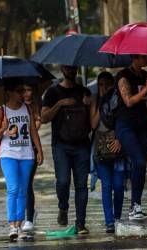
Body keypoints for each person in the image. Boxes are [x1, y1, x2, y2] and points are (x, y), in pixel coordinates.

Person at [41, 65, 92, 234]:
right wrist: (60, 104)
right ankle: (63, 207)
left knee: (81, 186)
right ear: (62, 69)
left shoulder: (84, 92)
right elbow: (44, 118)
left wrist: (90, 105)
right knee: (62, 181)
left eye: (73, 67)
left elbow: (92, 122)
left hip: (82, 145)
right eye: (67, 67)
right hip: (61, 146)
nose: (71, 70)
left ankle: (80, 223)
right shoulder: (52, 92)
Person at [0, 81, 43, 240]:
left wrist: (39, 151)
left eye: (24, 91)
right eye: (19, 91)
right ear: (9, 92)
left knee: (22, 190)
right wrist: (3, 129)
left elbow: (33, 131)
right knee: (13, 188)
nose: (23, 94)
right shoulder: (1, 111)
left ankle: (19, 224)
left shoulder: (28, 108)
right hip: (8, 155)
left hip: (27, 155)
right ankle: (12, 225)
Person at [115, 55, 147, 220]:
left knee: (142, 164)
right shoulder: (123, 76)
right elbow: (128, 101)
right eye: (144, 56)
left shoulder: (145, 76)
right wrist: (146, 89)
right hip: (126, 125)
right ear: (136, 57)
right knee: (137, 161)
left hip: (143, 125)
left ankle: (136, 205)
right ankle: (134, 207)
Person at [90, 71, 126, 233]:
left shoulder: (119, 100)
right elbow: (93, 124)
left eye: (107, 84)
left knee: (118, 186)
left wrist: (120, 140)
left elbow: (124, 122)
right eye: (101, 85)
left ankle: (117, 217)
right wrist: (100, 102)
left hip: (118, 149)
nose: (104, 88)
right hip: (101, 151)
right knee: (106, 185)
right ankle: (109, 221)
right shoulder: (95, 101)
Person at [22, 84, 42, 232]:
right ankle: (27, 213)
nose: (27, 93)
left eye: (29, 89)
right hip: (14, 151)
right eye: (23, 90)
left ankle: (28, 218)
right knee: (18, 186)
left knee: (27, 183)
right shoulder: (10, 107)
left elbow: (37, 125)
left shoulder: (34, 106)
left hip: (31, 149)